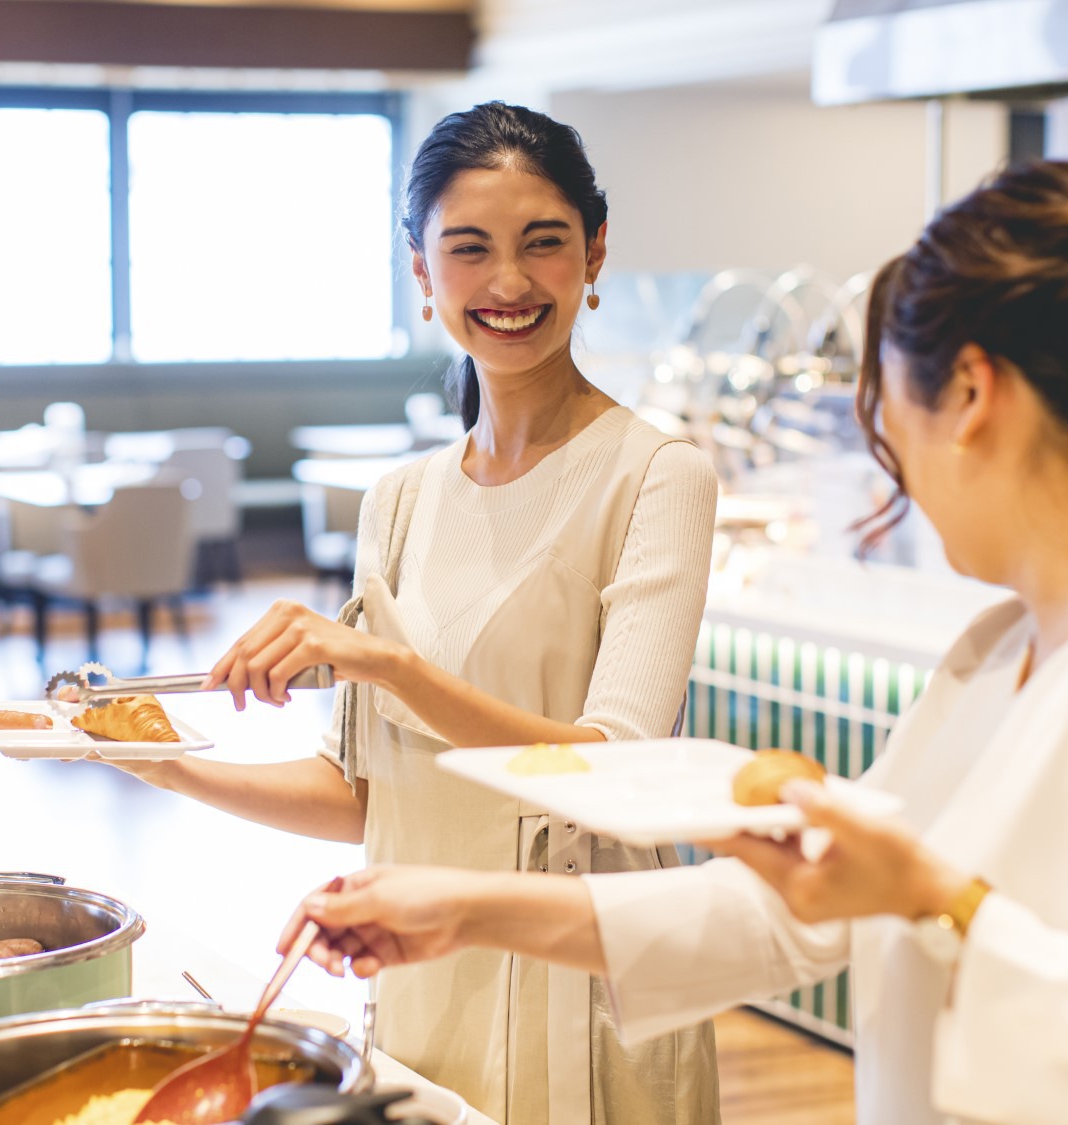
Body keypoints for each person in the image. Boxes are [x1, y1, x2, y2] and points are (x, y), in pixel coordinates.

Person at [277, 160, 1068, 1124]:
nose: (889, 469)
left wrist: (932, 900)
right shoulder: (996, 651)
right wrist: (459, 911)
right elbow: (793, 915)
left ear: (967, 393)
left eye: (883, 413)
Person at [108, 102, 722, 1125]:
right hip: (418, 953)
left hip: (573, 954)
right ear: (420, 270)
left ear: (594, 251)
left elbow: (611, 770)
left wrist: (387, 665)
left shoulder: (658, 475)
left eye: (543, 243)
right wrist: (139, 758)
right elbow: (365, 794)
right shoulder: (398, 498)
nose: (510, 282)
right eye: (469, 249)